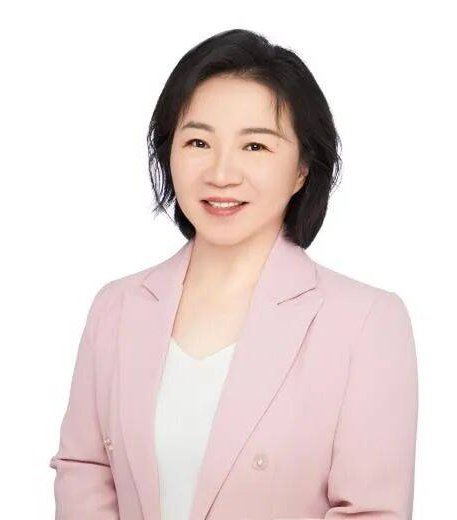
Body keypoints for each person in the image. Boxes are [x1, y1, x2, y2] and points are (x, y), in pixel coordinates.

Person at [49, 29, 418, 520]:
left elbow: (372, 511)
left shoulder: (366, 321)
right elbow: (85, 470)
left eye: (255, 146)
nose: (221, 174)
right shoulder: (116, 306)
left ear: (302, 169)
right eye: (198, 142)